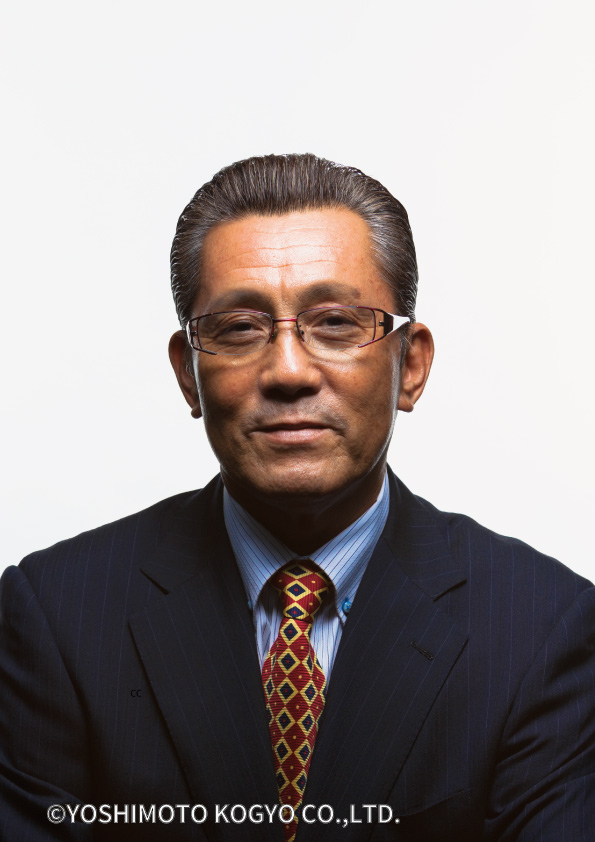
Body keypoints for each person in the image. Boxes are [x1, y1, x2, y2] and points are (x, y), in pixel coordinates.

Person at [1, 153, 593, 842]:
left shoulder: (542, 629)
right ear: (189, 376)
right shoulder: (56, 617)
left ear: (411, 365)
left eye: (337, 322)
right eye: (238, 327)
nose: (287, 371)